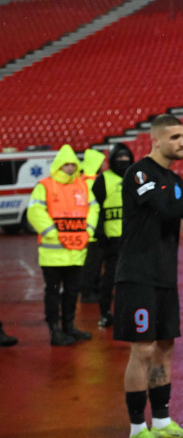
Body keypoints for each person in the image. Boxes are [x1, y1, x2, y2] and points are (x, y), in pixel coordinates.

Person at [114, 114, 183, 438]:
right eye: (175, 137)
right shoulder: (138, 173)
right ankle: (138, 429)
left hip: (165, 276)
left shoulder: (176, 181)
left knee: (164, 348)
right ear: (157, 141)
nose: (182, 142)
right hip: (137, 276)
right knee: (143, 350)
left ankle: (162, 423)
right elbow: (166, 211)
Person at [27, 144, 99, 346]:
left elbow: (94, 208)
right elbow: (34, 211)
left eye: (72, 164)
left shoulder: (82, 186)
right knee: (53, 292)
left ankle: (69, 327)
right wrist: (52, 233)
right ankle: (54, 330)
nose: (69, 168)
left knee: (72, 292)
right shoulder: (45, 185)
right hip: (52, 254)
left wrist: (89, 231)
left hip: (76, 251)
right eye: (66, 164)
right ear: (58, 165)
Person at [91, 143, 134, 328]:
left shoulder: (136, 178)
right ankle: (105, 313)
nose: (123, 161)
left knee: (132, 280)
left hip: (133, 239)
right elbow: (95, 209)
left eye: (126, 158)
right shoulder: (103, 180)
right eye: (120, 158)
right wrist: (100, 233)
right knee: (109, 279)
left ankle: (128, 313)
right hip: (111, 241)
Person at [80, 148, 107, 305]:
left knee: (93, 263)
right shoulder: (92, 182)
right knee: (92, 264)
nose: (104, 164)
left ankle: (91, 290)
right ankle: (88, 293)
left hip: (90, 228)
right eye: (102, 161)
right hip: (93, 228)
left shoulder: (84, 180)